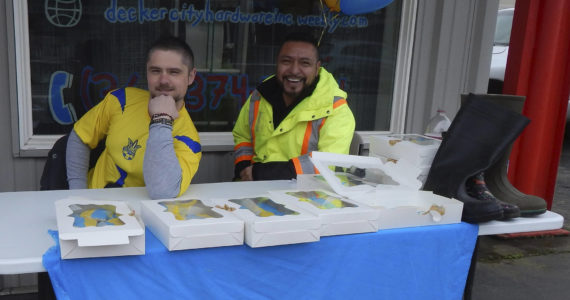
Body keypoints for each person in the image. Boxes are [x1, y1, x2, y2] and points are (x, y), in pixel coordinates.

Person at [66, 36, 202, 199]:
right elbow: (80, 137)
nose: (164, 80)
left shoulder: (189, 140)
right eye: (156, 71)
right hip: (92, 207)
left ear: (191, 76)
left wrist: (161, 119)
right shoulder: (121, 99)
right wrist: (77, 193)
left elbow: (163, 192)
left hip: (137, 217)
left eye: (174, 72)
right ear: (147, 71)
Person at [232, 32, 355, 181]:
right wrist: (244, 166)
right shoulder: (260, 94)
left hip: (307, 198)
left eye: (305, 63)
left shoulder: (336, 109)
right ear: (277, 63)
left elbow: (330, 163)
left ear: (317, 68)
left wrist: (265, 173)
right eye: (286, 61)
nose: (294, 70)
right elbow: (242, 135)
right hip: (253, 190)